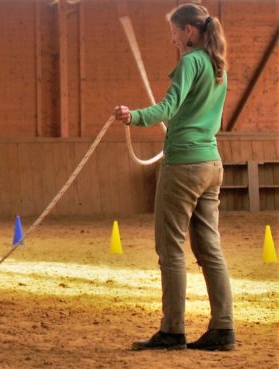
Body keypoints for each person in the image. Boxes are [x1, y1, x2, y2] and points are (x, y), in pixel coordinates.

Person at [114, 3, 234, 351]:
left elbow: (168, 107)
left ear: (189, 31)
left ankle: (172, 329)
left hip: (183, 165)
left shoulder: (191, 61)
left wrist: (132, 115)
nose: (172, 39)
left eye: (174, 32)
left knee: (170, 248)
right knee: (210, 249)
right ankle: (223, 328)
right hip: (211, 163)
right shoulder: (217, 64)